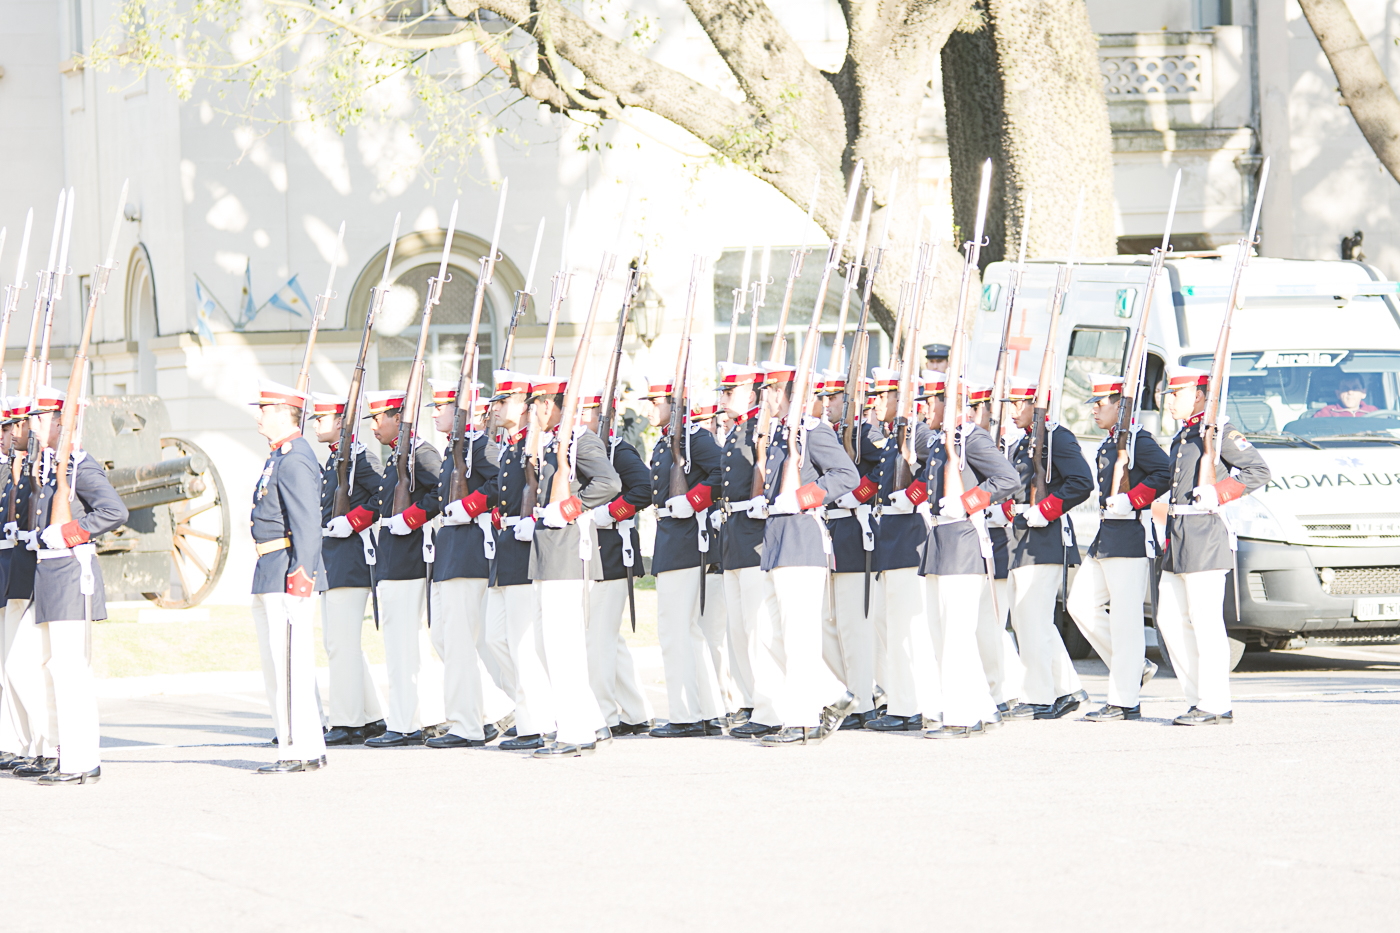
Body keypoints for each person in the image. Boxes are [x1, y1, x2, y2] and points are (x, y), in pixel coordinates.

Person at [17, 387, 128, 784]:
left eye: (40, 418)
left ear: (61, 423)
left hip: (70, 576)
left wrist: (68, 533)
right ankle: (61, 753)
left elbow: (114, 511)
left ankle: (82, 760)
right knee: (44, 667)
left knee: (70, 671)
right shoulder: (52, 466)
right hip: (49, 576)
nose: (32, 425)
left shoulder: (80, 466)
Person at [1158, 366, 1272, 724]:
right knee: (1169, 620)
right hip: (1178, 537)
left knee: (1205, 623)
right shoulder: (1185, 435)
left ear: (1198, 395)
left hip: (1205, 536)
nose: (1169, 402)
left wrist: (1218, 493)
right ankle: (1198, 698)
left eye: (1175, 394)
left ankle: (1216, 703)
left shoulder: (1220, 432)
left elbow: (1258, 471)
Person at [755, 363, 859, 745]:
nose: (765, 397)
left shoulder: (812, 432)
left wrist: (802, 498)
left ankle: (801, 719)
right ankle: (832, 693)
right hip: (778, 544)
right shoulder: (781, 433)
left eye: (770, 390)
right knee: (769, 633)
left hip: (801, 541)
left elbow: (847, 475)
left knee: (798, 635)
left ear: (784, 393)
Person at [519, 376, 621, 758]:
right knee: (549, 646)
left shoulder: (581, 442)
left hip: (568, 554)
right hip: (549, 555)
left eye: (535, 405)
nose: (532, 412)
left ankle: (575, 732)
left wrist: (568, 508)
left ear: (549, 405)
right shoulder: (551, 445)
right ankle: (588, 721)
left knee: (563, 647)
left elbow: (610, 483)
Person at [917, 378, 1020, 738]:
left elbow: (1008, 478)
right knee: (940, 632)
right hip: (939, 542)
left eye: (930, 402)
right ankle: (983, 708)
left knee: (956, 635)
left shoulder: (971, 439)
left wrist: (967, 501)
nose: (924, 409)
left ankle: (961, 716)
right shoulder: (941, 441)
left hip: (962, 542)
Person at [1064, 375, 1171, 721]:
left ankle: (1125, 701)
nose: (1094, 410)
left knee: (1126, 621)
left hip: (1130, 538)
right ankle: (1134, 666)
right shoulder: (1112, 442)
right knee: (1080, 605)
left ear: (1120, 406)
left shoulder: (1139, 440)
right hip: (1106, 537)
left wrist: (1133, 499)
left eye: (1100, 404)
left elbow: (1164, 473)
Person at [1000, 377, 1094, 720]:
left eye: (1019, 404)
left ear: (1037, 406)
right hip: (1020, 538)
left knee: (1032, 620)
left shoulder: (1057, 438)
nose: (1013, 411)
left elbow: (1082, 482)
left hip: (1043, 539)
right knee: (1029, 620)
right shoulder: (1023, 442)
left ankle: (1039, 697)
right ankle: (1068, 690)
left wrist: (1047, 509)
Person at [246, 381, 326, 774]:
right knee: (280, 668)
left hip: (286, 573)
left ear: (281, 412)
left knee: (288, 668)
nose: (258, 416)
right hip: (270, 569)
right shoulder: (280, 456)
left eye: (264, 409)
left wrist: (301, 577)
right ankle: (307, 745)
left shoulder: (294, 459)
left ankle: (297, 750)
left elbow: (307, 524)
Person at [362, 389, 447, 747]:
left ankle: (403, 723)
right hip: (395, 558)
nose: (373, 426)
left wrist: (411, 518)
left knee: (403, 647)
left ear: (399, 418)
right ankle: (425, 717)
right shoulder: (399, 454)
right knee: (406, 646)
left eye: (378, 418)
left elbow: (442, 491)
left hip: (408, 559)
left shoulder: (421, 453)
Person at [643, 381, 726, 738]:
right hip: (672, 539)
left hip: (685, 541)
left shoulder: (695, 439)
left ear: (675, 405)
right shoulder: (667, 442)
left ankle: (685, 715)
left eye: (655, 402)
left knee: (675, 630)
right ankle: (707, 711)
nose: (648, 409)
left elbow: (724, 472)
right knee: (687, 631)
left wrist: (693, 501)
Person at [428, 378, 504, 748]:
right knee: (443, 638)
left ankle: (466, 725)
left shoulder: (481, 447)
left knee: (459, 640)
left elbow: (503, 483)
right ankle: (494, 709)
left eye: (441, 407)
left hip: (470, 549)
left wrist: (470, 506)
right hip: (450, 551)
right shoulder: (454, 450)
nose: (435, 413)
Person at [865, 367, 939, 732]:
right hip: (890, 540)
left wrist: (913, 495)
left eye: (883, 396)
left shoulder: (920, 435)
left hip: (910, 540)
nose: (877, 403)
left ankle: (912, 706)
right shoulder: (893, 437)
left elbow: (936, 468)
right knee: (888, 626)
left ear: (903, 399)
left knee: (908, 629)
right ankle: (901, 699)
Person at [487, 370, 558, 750]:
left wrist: (536, 519)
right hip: (506, 547)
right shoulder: (511, 446)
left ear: (524, 405)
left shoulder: (537, 444)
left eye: (503, 401)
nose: (495, 408)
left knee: (521, 643)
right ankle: (530, 709)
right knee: (495, 637)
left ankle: (536, 724)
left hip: (526, 549)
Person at [312, 393, 388, 746]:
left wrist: (354, 521)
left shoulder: (361, 458)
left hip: (351, 560)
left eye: (321, 418)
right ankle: (371, 716)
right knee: (338, 643)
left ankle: (346, 721)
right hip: (333, 561)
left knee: (341, 644)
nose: (316, 425)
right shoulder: (336, 460)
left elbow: (384, 497)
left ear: (341, 422)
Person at [581, 391, 654, 735]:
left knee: (598, 639)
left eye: (586, 412)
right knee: (607, 637)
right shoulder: (589, 448)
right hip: (593, 551)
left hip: (611, 551)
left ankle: (604, 716)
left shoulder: (617, 450)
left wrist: (608, 513)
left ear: (602, 415)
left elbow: (644, 489)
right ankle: (637, 712)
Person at [715, 364, 780, 738]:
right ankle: (753, 702)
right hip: (733, 536)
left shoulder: (761, 429)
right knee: (738, 629)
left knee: (758, 629)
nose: (724, 399)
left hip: (755, 536)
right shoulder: (736, 431)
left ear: (752, 395)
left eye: (730, 392)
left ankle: (770, 707)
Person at [820, 372, 883, 729]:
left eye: (833, 397)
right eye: (825, 397)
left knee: (853, 626)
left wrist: (858, 494)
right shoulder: (825, 434)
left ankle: (862, 702)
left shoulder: (865, 434)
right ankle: (861, 689)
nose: (827, 403)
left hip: (854, 533)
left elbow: (888, 467)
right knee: (826, 625)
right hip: (829, 531)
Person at [0, 399, 49, 776]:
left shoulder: (41, 467)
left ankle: (41, 745)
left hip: (34, 574)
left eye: (13, 426)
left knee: (26, 665)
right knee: (11, 666)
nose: (9, 434)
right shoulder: (17, 467)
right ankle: (20, 743)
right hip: (14, 572)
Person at [1313, 374, 1377, 417]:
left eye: (1355, 388)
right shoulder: (1327, 413)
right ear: (1338, 394)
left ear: (1363, 393)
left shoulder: (1374, 412)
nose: (1350, 392)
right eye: (1345, 389)